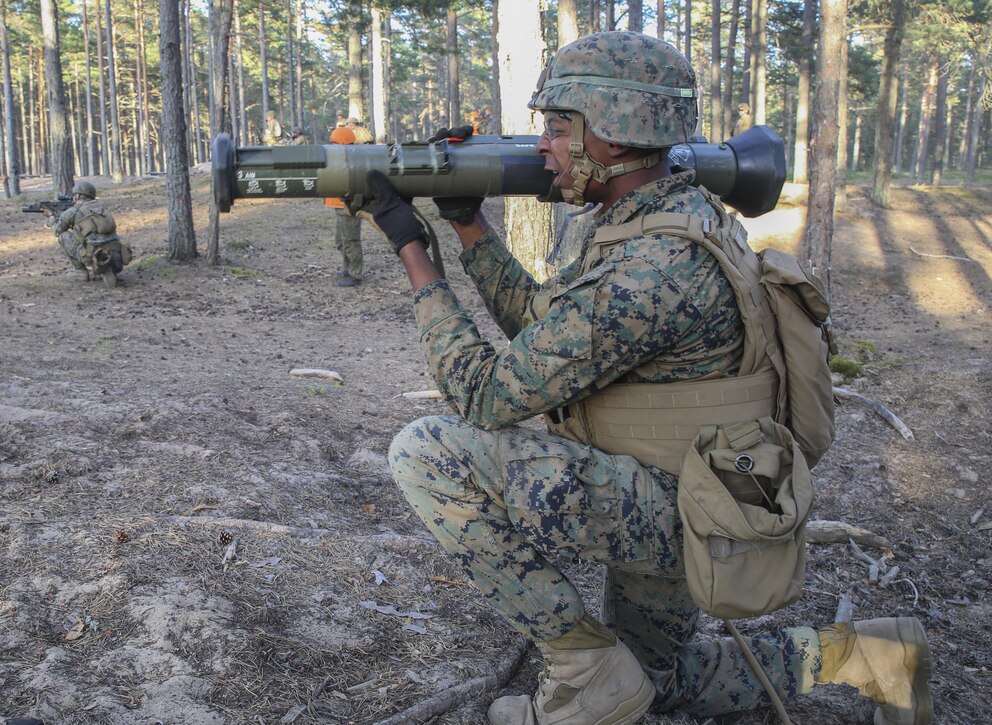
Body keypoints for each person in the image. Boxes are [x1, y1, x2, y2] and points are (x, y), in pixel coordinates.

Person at [360, 31, 933, 725]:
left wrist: (413, 253)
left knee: (429, 452)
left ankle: (581, 666)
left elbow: (484, 394)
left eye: (557, 126)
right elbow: (545, 334)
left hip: (676, 509)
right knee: (658, 683)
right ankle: (866, 657)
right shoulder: (664, 217)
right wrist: (468, 224)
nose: (542, 145)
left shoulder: (651, 269)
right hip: (701, 494)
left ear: (612, 136)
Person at [50, 180, 129, 288]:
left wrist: (51, 219)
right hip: (116, 255)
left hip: (91, 254)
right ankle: (105, 267)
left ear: (78, 195)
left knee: (64, 237)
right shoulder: (102, 206)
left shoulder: (74, 211)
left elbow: (57, 231)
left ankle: (81, 272)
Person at [324, 126, 363, 287]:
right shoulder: (337, 158)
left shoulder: (352, 162)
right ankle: (347, 269)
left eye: (334, 142)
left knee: (351, 241)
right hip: (339, 206)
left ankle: (355, 275)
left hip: (348, 207)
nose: (331, 145)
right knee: (340, 241)